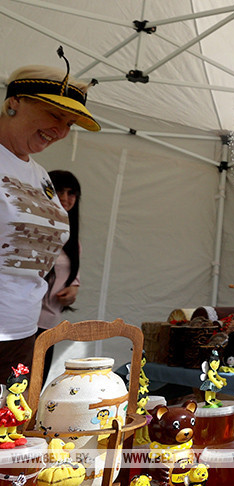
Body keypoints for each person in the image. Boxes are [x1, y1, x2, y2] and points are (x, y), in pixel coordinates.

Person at [0, 52, 100, 377]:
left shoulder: (40, 174)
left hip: (24, 329)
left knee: (12, 421)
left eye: (68, 124)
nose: (60, 130)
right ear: (14, 101)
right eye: (54, 115)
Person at [36, 170, 82, 384]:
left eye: (71, 193)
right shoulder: (30, 230)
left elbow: (73, 279)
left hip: (49, 325)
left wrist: (73, 290)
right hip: (19, 323)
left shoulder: (72, 240)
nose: (64, 198)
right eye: (58, 191)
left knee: (35, 387)